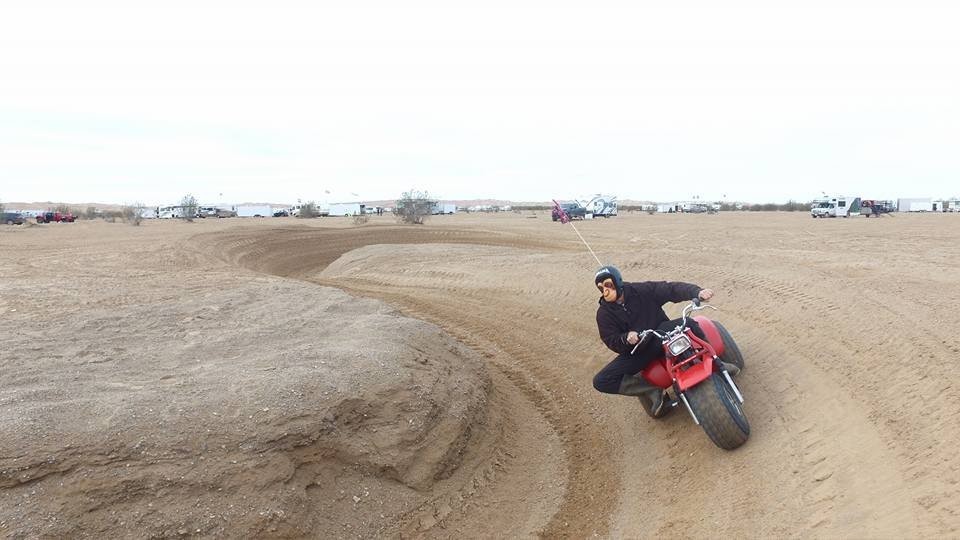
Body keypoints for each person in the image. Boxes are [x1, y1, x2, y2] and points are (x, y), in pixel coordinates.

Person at [591, 265, 734, 415]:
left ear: (618, 282)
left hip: (663, 333)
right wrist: (625, 338)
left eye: (608, 285)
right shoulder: (604, 314)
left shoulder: (640, 290)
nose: (605, 291)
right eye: (601, 288)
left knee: (689, 323)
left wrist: (697, 292)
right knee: (601, 380)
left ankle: (716, 363)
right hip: (639, 350)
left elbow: (670, 289)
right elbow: (610, 339)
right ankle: (653, 393)